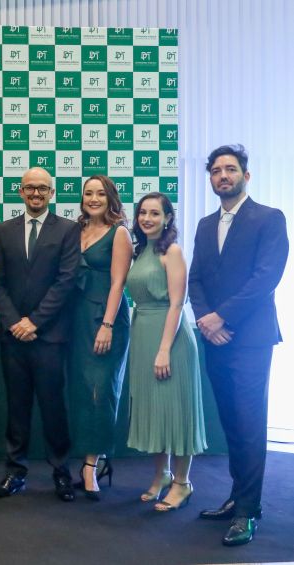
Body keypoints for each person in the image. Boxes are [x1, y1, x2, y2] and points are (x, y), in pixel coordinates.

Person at [189, 144, 288, 546]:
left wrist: (222, 317)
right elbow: (196, 278)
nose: (223, 176)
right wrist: (206, 320)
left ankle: (248, 511)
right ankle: (237, 497)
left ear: (245, 176)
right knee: (230, 421)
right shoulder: (204, 224)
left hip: (250, 339)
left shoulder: (269, 218)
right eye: (216, 171)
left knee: (249, 423)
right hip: (215, 338)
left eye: (230, 169)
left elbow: (267, 277)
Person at [0, 167, 80, 502]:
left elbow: (66, 281)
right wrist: (15, 322)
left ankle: (61, 472)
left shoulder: (68, 229)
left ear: (52, 193)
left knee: (54, 408)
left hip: (50, 337)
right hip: (12, 337)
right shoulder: (3, 231)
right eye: (30, 188)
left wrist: (35, 322)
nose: (36, 193)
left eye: (42, 188)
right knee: (17, 408)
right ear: (21, 191)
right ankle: (15, 472)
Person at [125, 192, 206, 513]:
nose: (147, 218)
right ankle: (162, 475)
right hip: (143, 333)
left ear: (168, 218)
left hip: (170, 339)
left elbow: (177, 303)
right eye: (143, 213)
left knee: (177, 411)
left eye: (155, 213)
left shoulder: (172, 251)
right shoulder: (140, 250)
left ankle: (182, 483)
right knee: (156, 411)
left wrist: (163, 350)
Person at [67, 176, 132, 500]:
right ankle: (89, 459)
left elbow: (118, 283)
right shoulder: (76, 230)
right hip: (77, 318)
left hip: (106, 319)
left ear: (110, 199)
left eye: (100, 194)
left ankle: (93, 464)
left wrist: (107, 324)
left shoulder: (119, 233)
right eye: (88, 193)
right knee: (81, 390)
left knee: (102, 391)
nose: (93, 199)